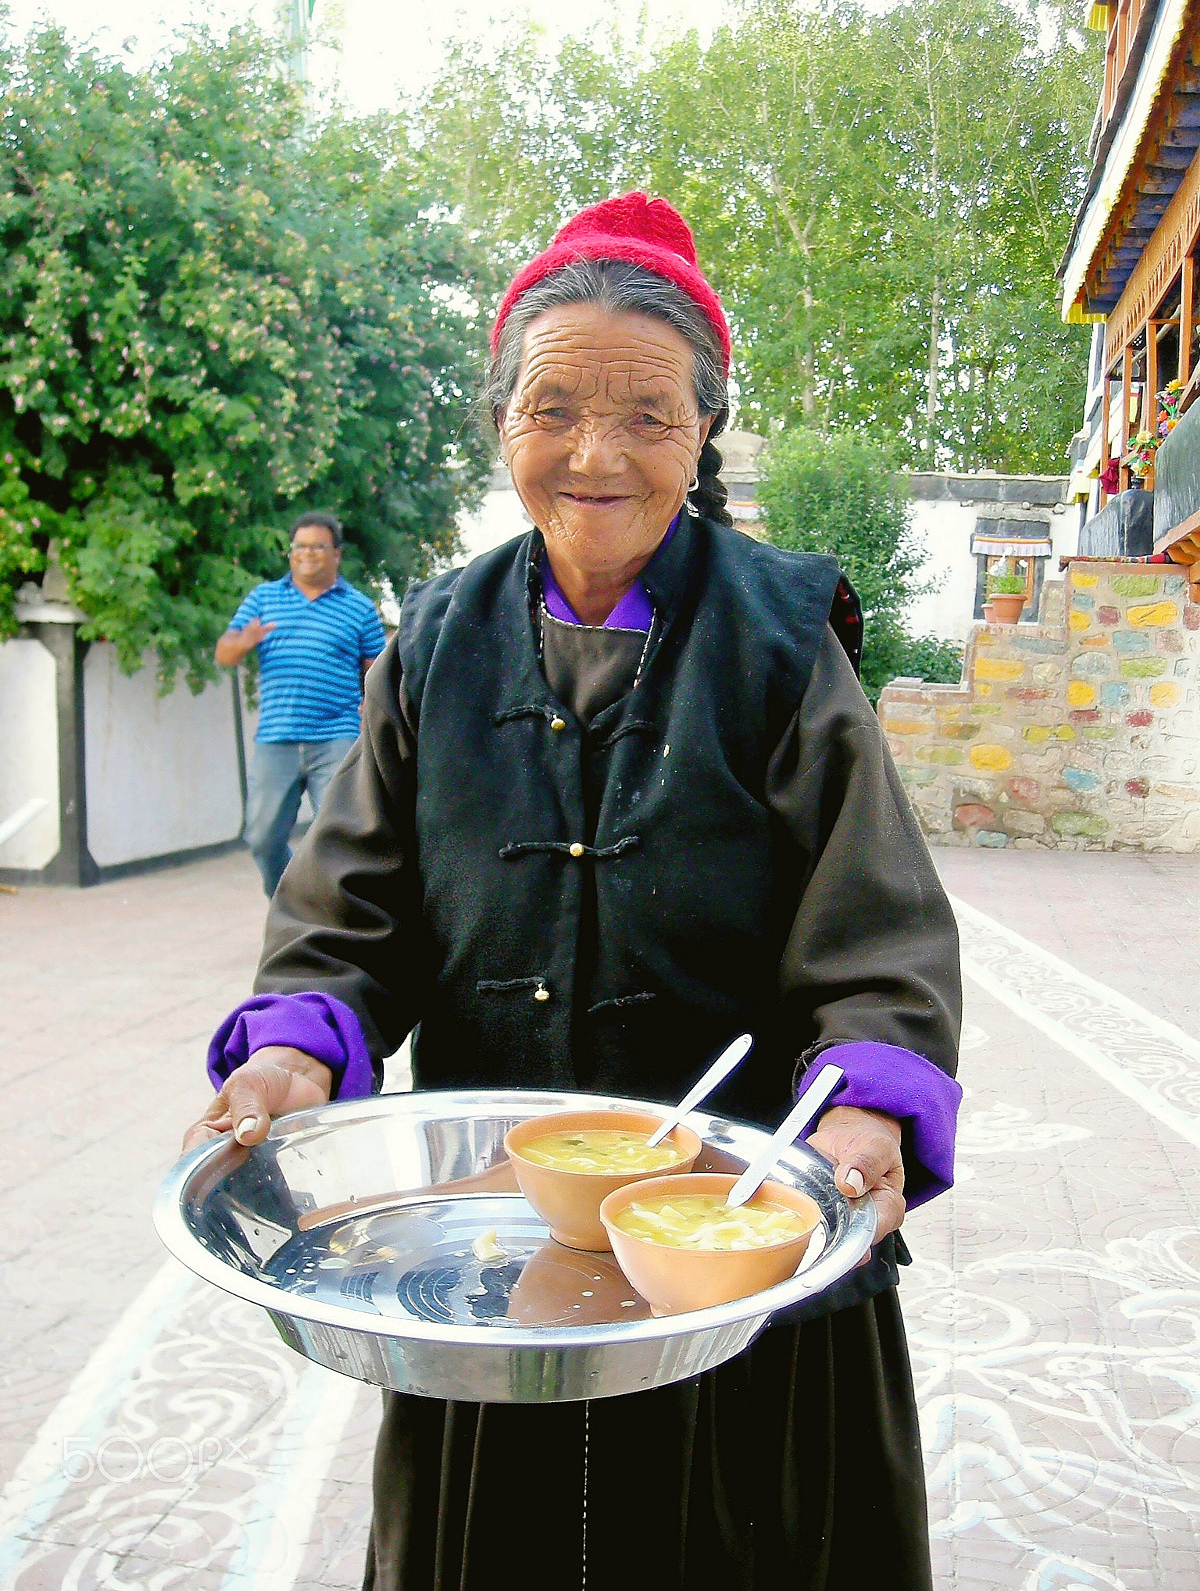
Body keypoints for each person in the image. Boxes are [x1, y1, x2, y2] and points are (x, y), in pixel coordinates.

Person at [186, 193, 962, 1590]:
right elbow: (350, 903)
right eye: (553, 409)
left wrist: (867, 1099)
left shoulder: (784, 640)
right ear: (501, 423)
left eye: (649, 416)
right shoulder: (431, 639)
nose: (596, 456)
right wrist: (301, 1042)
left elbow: (877, 921)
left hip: (742, 1236)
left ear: (705, 431)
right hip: (505, 1250)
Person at [216, 511, 387, 896]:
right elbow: (225, 653)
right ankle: (290, 901)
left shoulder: (358, 607)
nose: (308, 553)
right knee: (262, 837)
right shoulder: (263, 599)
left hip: (337, 737)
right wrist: (243, 642)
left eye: (318, 546)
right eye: (300, 546)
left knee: (340, 834)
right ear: (291, 553)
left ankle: (329, 914)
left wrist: (372, 705)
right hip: (277, 737)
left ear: (336, 554)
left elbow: (377, 669)